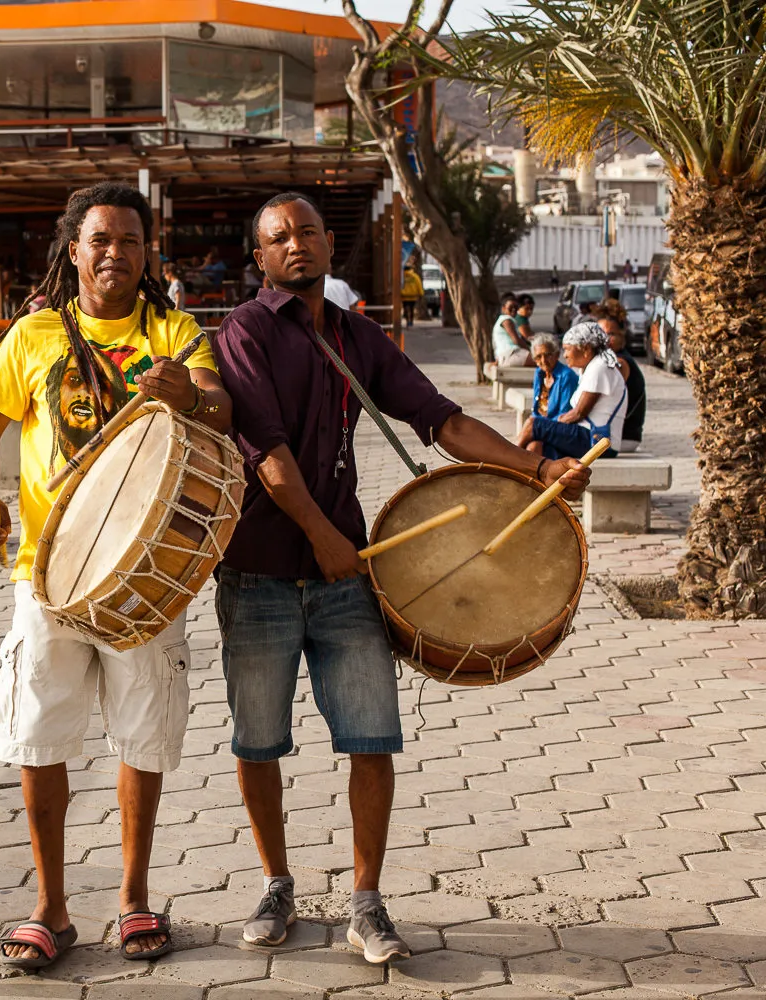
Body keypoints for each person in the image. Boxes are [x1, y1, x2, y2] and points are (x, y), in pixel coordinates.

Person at [211, 191, 590, 965]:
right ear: (261, 258)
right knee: (258, 744)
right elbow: (269, 457)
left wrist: (537, 465)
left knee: (372, 739)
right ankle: (276, 881)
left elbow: (441, 420)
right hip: (259, 573)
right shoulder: (242, 332)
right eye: (278, 237)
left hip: (349, 570)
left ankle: (366, 901)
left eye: (308, 232)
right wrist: (322, 538)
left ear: (326, 245)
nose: (297, 245)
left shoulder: (358, 336)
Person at [0, 181, 233, 969]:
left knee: (142, 735)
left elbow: (219, 410)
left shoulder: (175, 331)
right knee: (39, 737)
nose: (116, 254)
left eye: (131, 242)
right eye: (101, 240)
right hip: (47, 574)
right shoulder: (35, 334)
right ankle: (50, 905)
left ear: (149, 255)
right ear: (73, 249)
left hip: (148, 572)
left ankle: (134, 899)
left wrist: (188, 392)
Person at [522, 321, 627, 460]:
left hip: (598, 441)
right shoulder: (590, 367)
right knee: (535, 447)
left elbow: (579, 413)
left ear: (586, 349)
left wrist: (554, 422)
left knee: (533, 424)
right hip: (586, 437)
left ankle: (505, 462)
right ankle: (519, 479)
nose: (564, 355)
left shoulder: (599, 367)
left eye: (567, 349)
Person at [591, 300, 645, 451]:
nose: (606, 340)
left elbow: (592, 401)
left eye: (611, 334)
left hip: (620, 437)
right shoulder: (607, 360)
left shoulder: (618, 363)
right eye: (601, 334)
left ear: (622, 335)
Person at [492, 293, 532, 367]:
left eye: (516, 307)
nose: (514, 309)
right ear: (503, 308)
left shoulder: (505, 320)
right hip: (510, 355)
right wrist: (531, 350)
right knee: (542, 360)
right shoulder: (506, 320)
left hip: (508, 355)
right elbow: (516, 340)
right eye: (510, 307)